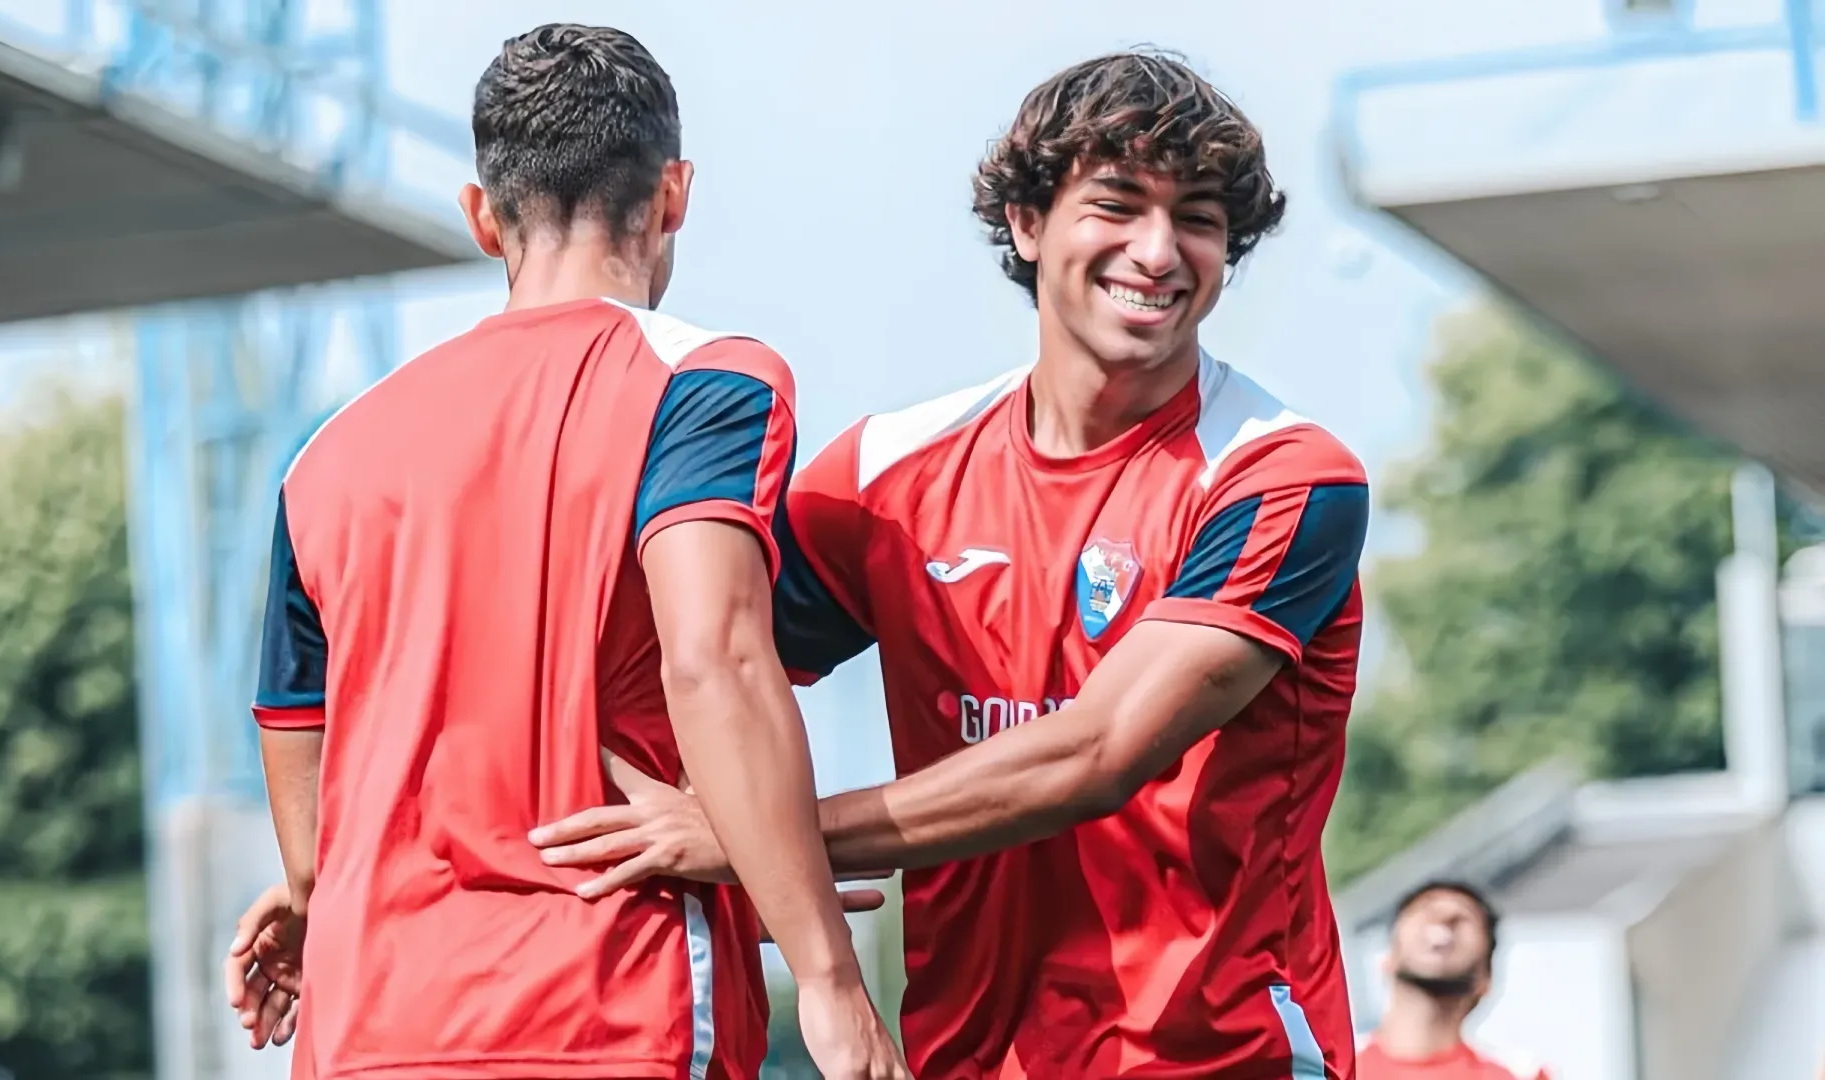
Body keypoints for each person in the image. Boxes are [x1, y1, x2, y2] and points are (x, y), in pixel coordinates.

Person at [530, 48, 1370, 1079]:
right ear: (1027, 223)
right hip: (962, 1057)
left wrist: (760, 842)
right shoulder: (888, 473)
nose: (1159, 251)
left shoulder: (1284, 477)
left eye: (1198, 218)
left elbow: (1096, 752)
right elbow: (681, 674)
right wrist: (333, 866)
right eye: (1117, 205)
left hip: (1220, 1058)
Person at [229, 23, 904, 1080]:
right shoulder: (707, 385)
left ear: (482, 217)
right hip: (604, 1011)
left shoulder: (327, 452)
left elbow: (301, 745)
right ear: (673, 195)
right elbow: (713, 658)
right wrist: (825, 974)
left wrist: (320, 904)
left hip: (367, 1031)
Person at [1356, 882, 1552, 1080]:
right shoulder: (1332, 1067)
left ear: (1486, 978)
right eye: (1425, 908)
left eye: (1465, 917)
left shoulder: (1523, 1074)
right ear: (1387, 959)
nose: (1443, 916)